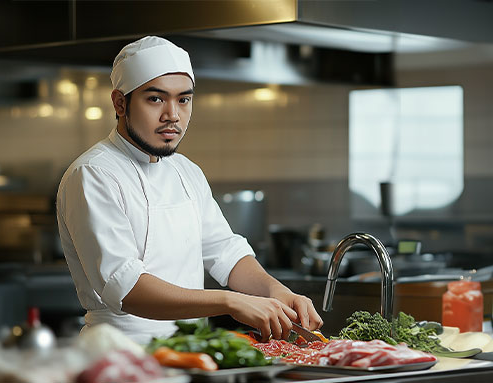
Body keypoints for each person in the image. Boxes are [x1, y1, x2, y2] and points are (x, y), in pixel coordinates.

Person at [56, 36, 323, 344]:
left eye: (183, 99)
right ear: (119, 102)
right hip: (121, 353)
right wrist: (229, 301)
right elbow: (126, 288)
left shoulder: (185, 171)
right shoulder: (93, 174)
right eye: (156, 99)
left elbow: (225, 251)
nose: (173, 115)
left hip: (189, 350)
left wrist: (275, 290)